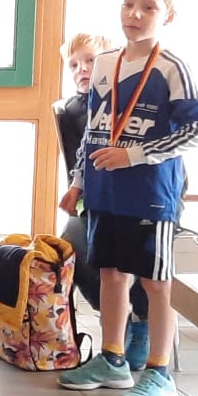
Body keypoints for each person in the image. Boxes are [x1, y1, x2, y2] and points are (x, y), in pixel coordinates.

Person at [56, 0, 198, 396]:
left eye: (148, 7)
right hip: (105, 191)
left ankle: (159, 372)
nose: (135, 14)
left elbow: (196, 131)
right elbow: (94, 130)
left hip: (151, 193)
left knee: (156, 282)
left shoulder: (172, 67)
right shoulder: (106, 63)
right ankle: (112, 358)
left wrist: (135, 155)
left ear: (168, 16)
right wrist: (78, 183)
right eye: (128, 4)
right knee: (110, 274)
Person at [53, 33, 153, 368]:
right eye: (73, 65)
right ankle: (113, 319)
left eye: (90, 61)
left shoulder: (134, 100)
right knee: (74, 246)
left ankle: (142, 322)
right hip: (96, 202)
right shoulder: (72, 110)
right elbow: (78, 164)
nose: (82, 70)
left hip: (142, 199)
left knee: (136, 247)